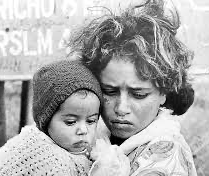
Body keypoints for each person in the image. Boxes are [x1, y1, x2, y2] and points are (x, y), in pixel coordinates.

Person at [68, 0, 197, 175]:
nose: (121, 109)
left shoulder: (165, 154)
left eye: (138, 94)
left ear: (164, 92)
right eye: (109, 91)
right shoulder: (98, 138)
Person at [0, 60, 103, 176]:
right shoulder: (49, 161)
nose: (83, 130)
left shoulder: (74, 148)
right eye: (71, 122)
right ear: (46, 120)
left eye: (91, 121)